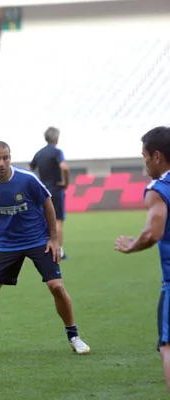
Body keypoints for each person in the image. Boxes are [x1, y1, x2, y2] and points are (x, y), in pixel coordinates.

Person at [0, 141, 90, 358]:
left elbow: (48, 203)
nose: (2, 163)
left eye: (6, 158)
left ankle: (74, 336)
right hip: (7, 245)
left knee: (56, 286)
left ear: (10, 158)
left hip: (38, 240)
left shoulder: (27, 179)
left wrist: (54, 240)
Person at [115, 126, 170, 390]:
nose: (144, 162)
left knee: (168, 347)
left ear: (157, 156)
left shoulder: (159, 189)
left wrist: (132, 245)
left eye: (144, 156)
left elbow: (152, 233)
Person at [30, 127, 71, 259]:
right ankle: (59, 251)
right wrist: (66, 183)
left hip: (42, 191)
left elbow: (29, 170)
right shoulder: (57, 152)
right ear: (56, 138)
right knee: (58, 220)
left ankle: (44, 249)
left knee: (45, 221)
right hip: (56, 189)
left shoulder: (39, 153)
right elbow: (64, 167)